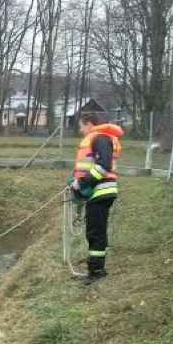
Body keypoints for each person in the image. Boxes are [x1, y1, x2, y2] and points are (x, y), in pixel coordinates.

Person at [70, 112, 122, 285]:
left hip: (101, 193)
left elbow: (103, 165)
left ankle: (96, 271)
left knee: (95, 233)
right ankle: (96, 268)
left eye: (81, 126)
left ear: (89, 124)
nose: (80, 130)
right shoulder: (99, 138)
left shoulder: (100, 138)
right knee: (96, 231)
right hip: (97, 193)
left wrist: (83, 182)